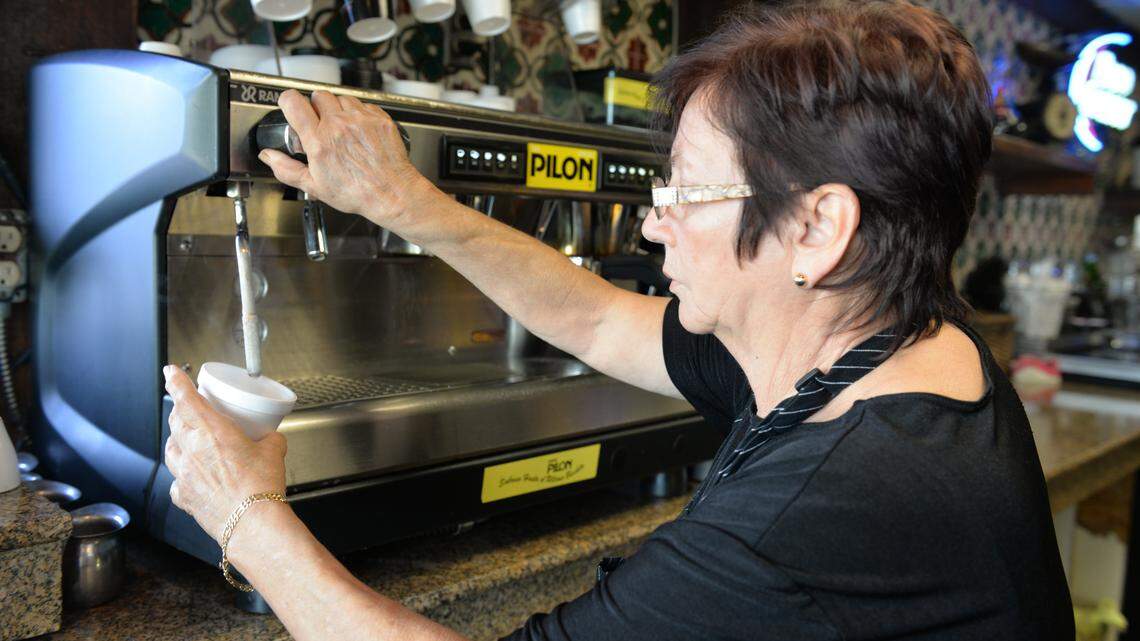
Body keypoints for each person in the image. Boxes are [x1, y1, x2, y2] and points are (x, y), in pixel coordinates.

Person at [160, 1, 1075, 639]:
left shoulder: (830, 506)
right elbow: (598, 321)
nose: (650, 220)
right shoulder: (897, 342)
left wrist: (243, 514)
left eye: (687, 189)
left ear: (817, 226)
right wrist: (401, 198)